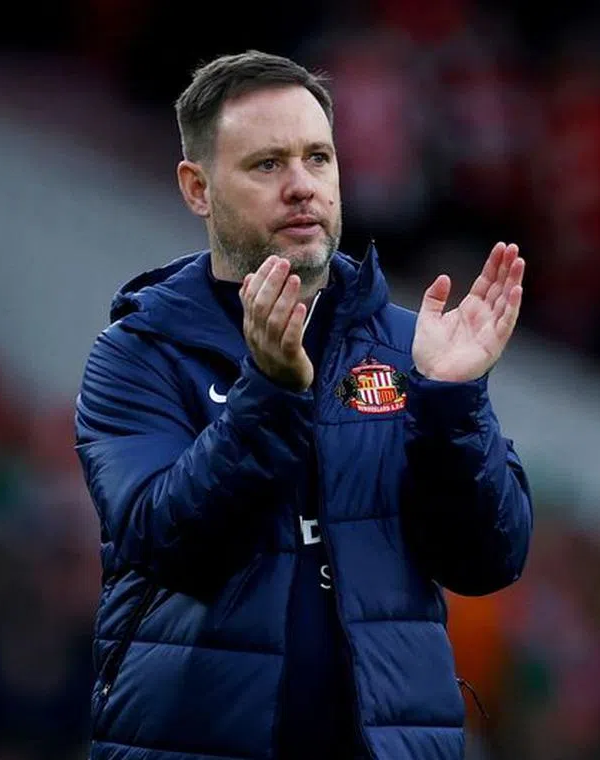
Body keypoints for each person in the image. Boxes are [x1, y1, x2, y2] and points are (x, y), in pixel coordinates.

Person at [73, 50, 533, 760]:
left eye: (318, 158)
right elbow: (167, 544)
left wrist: (452, 406)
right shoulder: (139, 355)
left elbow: (488, 560)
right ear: (197, 188)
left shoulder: (413, 348)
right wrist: (271, 391)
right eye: (267, 164)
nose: (301, 186)